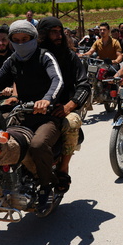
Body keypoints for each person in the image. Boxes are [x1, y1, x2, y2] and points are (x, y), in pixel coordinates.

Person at [0, 20, 63, 212]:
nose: (21, 43)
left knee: (37, 144)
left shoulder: (45, 56)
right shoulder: (12, 60)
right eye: (16, 40)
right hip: (22, 115)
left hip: (47, 117)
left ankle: (45, 186)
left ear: (34, 39)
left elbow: (56, 79)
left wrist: (46, 99)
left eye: (25, 39)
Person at [37, 17, 91, 191]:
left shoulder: (70, 57)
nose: (59, 35)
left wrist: (70, 105)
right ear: (43, 34)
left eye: (60, 31)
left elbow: (84, 85)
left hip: (62, 108)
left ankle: (63, 168)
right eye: (53, 32)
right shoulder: (34, 54)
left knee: (72, 122)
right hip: (34, 106)